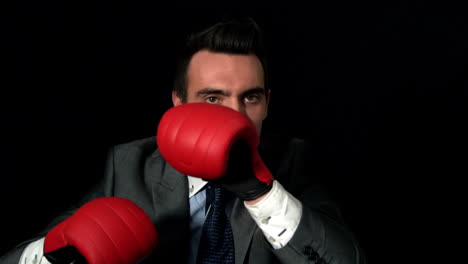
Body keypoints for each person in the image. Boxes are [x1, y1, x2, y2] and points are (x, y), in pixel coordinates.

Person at [1, 16, 366, 264]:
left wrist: (260, 191)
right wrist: (59, 254)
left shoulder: (294, 161)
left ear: (267, 104)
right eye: (213, 98)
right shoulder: (129, 166)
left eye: (250, 98)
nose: (236, 116)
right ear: (179, 103)